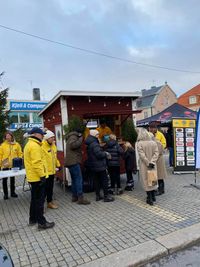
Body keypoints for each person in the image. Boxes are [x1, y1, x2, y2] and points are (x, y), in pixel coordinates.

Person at [24, 127, 55, 230]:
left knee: (34, 200)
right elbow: (37, 163)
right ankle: (42, 223)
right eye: (42, 134)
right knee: (39, 201)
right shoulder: (34, 146)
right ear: (36, 134)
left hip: (33, 177)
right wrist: (42, 176)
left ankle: (32, 219)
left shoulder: (30, 144)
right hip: (37, 178)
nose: (43, 136)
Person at [85, 129, 114, 202]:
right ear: (94, 135)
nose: (98, 136)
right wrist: (105, 153)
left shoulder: (89, 142)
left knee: (96, 180)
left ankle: (98, 196)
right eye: (97, 134)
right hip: (99, 165)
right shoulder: (94, 143)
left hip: (93, 165)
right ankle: (106, 196)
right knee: (104, 180)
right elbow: (99, 154)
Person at [65, 128, 90, 205]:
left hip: (70, 162)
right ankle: (80, 198)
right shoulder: (73, 137)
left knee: (74, 179)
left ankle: (74, 196)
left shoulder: (71, 137)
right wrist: (81, 139)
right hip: (74, 162)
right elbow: (73, 145)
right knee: (79, 179)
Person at [137, 128, 159, 205]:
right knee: (152, 179)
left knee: (146, 180)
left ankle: (149, 198)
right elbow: (156, 153)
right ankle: (153, 196)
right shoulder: (153, 143)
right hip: (153, 165)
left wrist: (147, 162)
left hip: (144, 165)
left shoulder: (139, 143)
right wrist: (152, 162)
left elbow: (141, 155)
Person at [0, 131, 23, 200]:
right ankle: (5, 194)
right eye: (6, 136)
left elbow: (20, 153)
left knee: (12, 180)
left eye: (9, 135)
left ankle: (12, 192)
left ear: (12, 136)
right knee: (4, 180)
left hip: (14, 165)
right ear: (5, 137)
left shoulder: (16, 144)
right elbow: (0, 155)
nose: (8, 137)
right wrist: (1, 163)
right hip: (5, 165)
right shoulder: (2, 145)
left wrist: (20, 159)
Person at [42, 130, 61, 209]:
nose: (53, 139)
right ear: (46, 138)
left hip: (52, 171)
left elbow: (55, 157)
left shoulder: (53, 145)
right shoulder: (42, 146)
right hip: (45, 172)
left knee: (50, 188)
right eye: (51, 137)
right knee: (44, 190)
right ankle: (41, 206)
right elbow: (41, 160)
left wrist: (58, 165)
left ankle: (49, 202)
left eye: (53, 137)